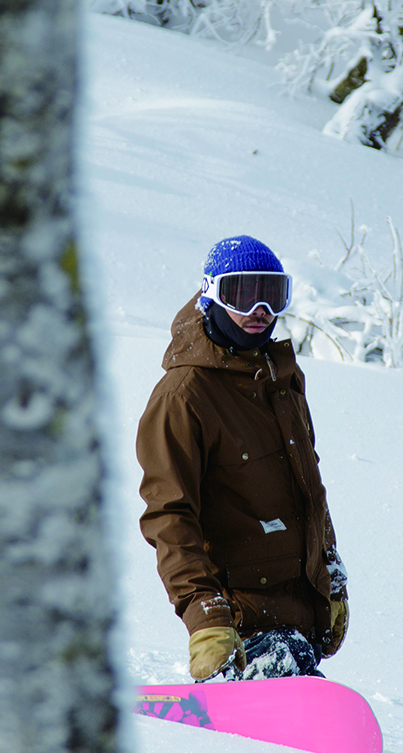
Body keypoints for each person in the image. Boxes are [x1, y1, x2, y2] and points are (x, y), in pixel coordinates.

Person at [136, 235, 349, 682]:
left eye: (272, 295)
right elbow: (169, 515)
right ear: (210, 294)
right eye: (242, 294)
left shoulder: (282, 381)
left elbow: (311, 493)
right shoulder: (184, 396)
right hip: (241, 621)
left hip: (297, 615)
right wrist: (206, 618)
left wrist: (331, 578)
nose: (260, 311)